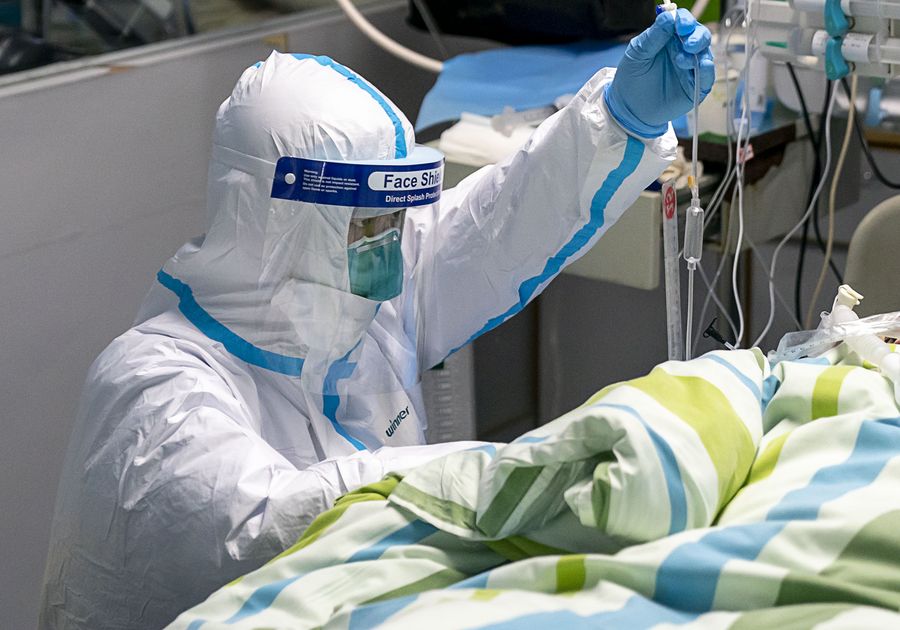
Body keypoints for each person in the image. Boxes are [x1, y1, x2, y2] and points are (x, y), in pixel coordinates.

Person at [41, 8, 714, 629]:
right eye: (367, 226)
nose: (389, 257)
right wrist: (504, 475)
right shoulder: (150, 390)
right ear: (274, 218)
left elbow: (494, 224)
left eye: (393, 224)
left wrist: (618, 120)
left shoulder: (349, 311)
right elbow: (274, 528)